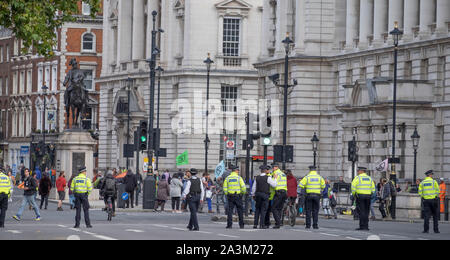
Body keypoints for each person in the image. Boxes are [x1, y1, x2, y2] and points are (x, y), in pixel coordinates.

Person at [351, 166, 376, 231]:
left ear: (361, 171)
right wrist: (371, 194)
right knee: (366, 211)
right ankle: (366, 226)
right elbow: (373, 188)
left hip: (360, 196)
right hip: (368, 197)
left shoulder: (357, 178)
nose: (357, 172)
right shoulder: (369, 178)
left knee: (361, 211)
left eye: (358, 170)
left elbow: (353, 187)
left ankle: (362, 226)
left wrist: (354, 194)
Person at [252, 165, 274, 229]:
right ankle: (262, 224)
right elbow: (274, 185)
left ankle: (255, 224)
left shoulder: (257, 177)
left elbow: (254, 187)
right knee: (263, 210)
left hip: (258, 194)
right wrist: (275, 178)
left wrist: (253, 194)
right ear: (265, 170)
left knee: (257, 210)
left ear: (261, 171)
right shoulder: (268, 177)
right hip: (265, 195)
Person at [271, 164, 287, 229]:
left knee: (274, 208)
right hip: (284, 192)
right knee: (279, 208)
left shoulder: (275, 173)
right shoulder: (283, 174)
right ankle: (278, 223)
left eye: (273, 167)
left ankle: (278, 222)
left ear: (276, 167)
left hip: (278, 192)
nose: (273, 169)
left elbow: (274, 183)